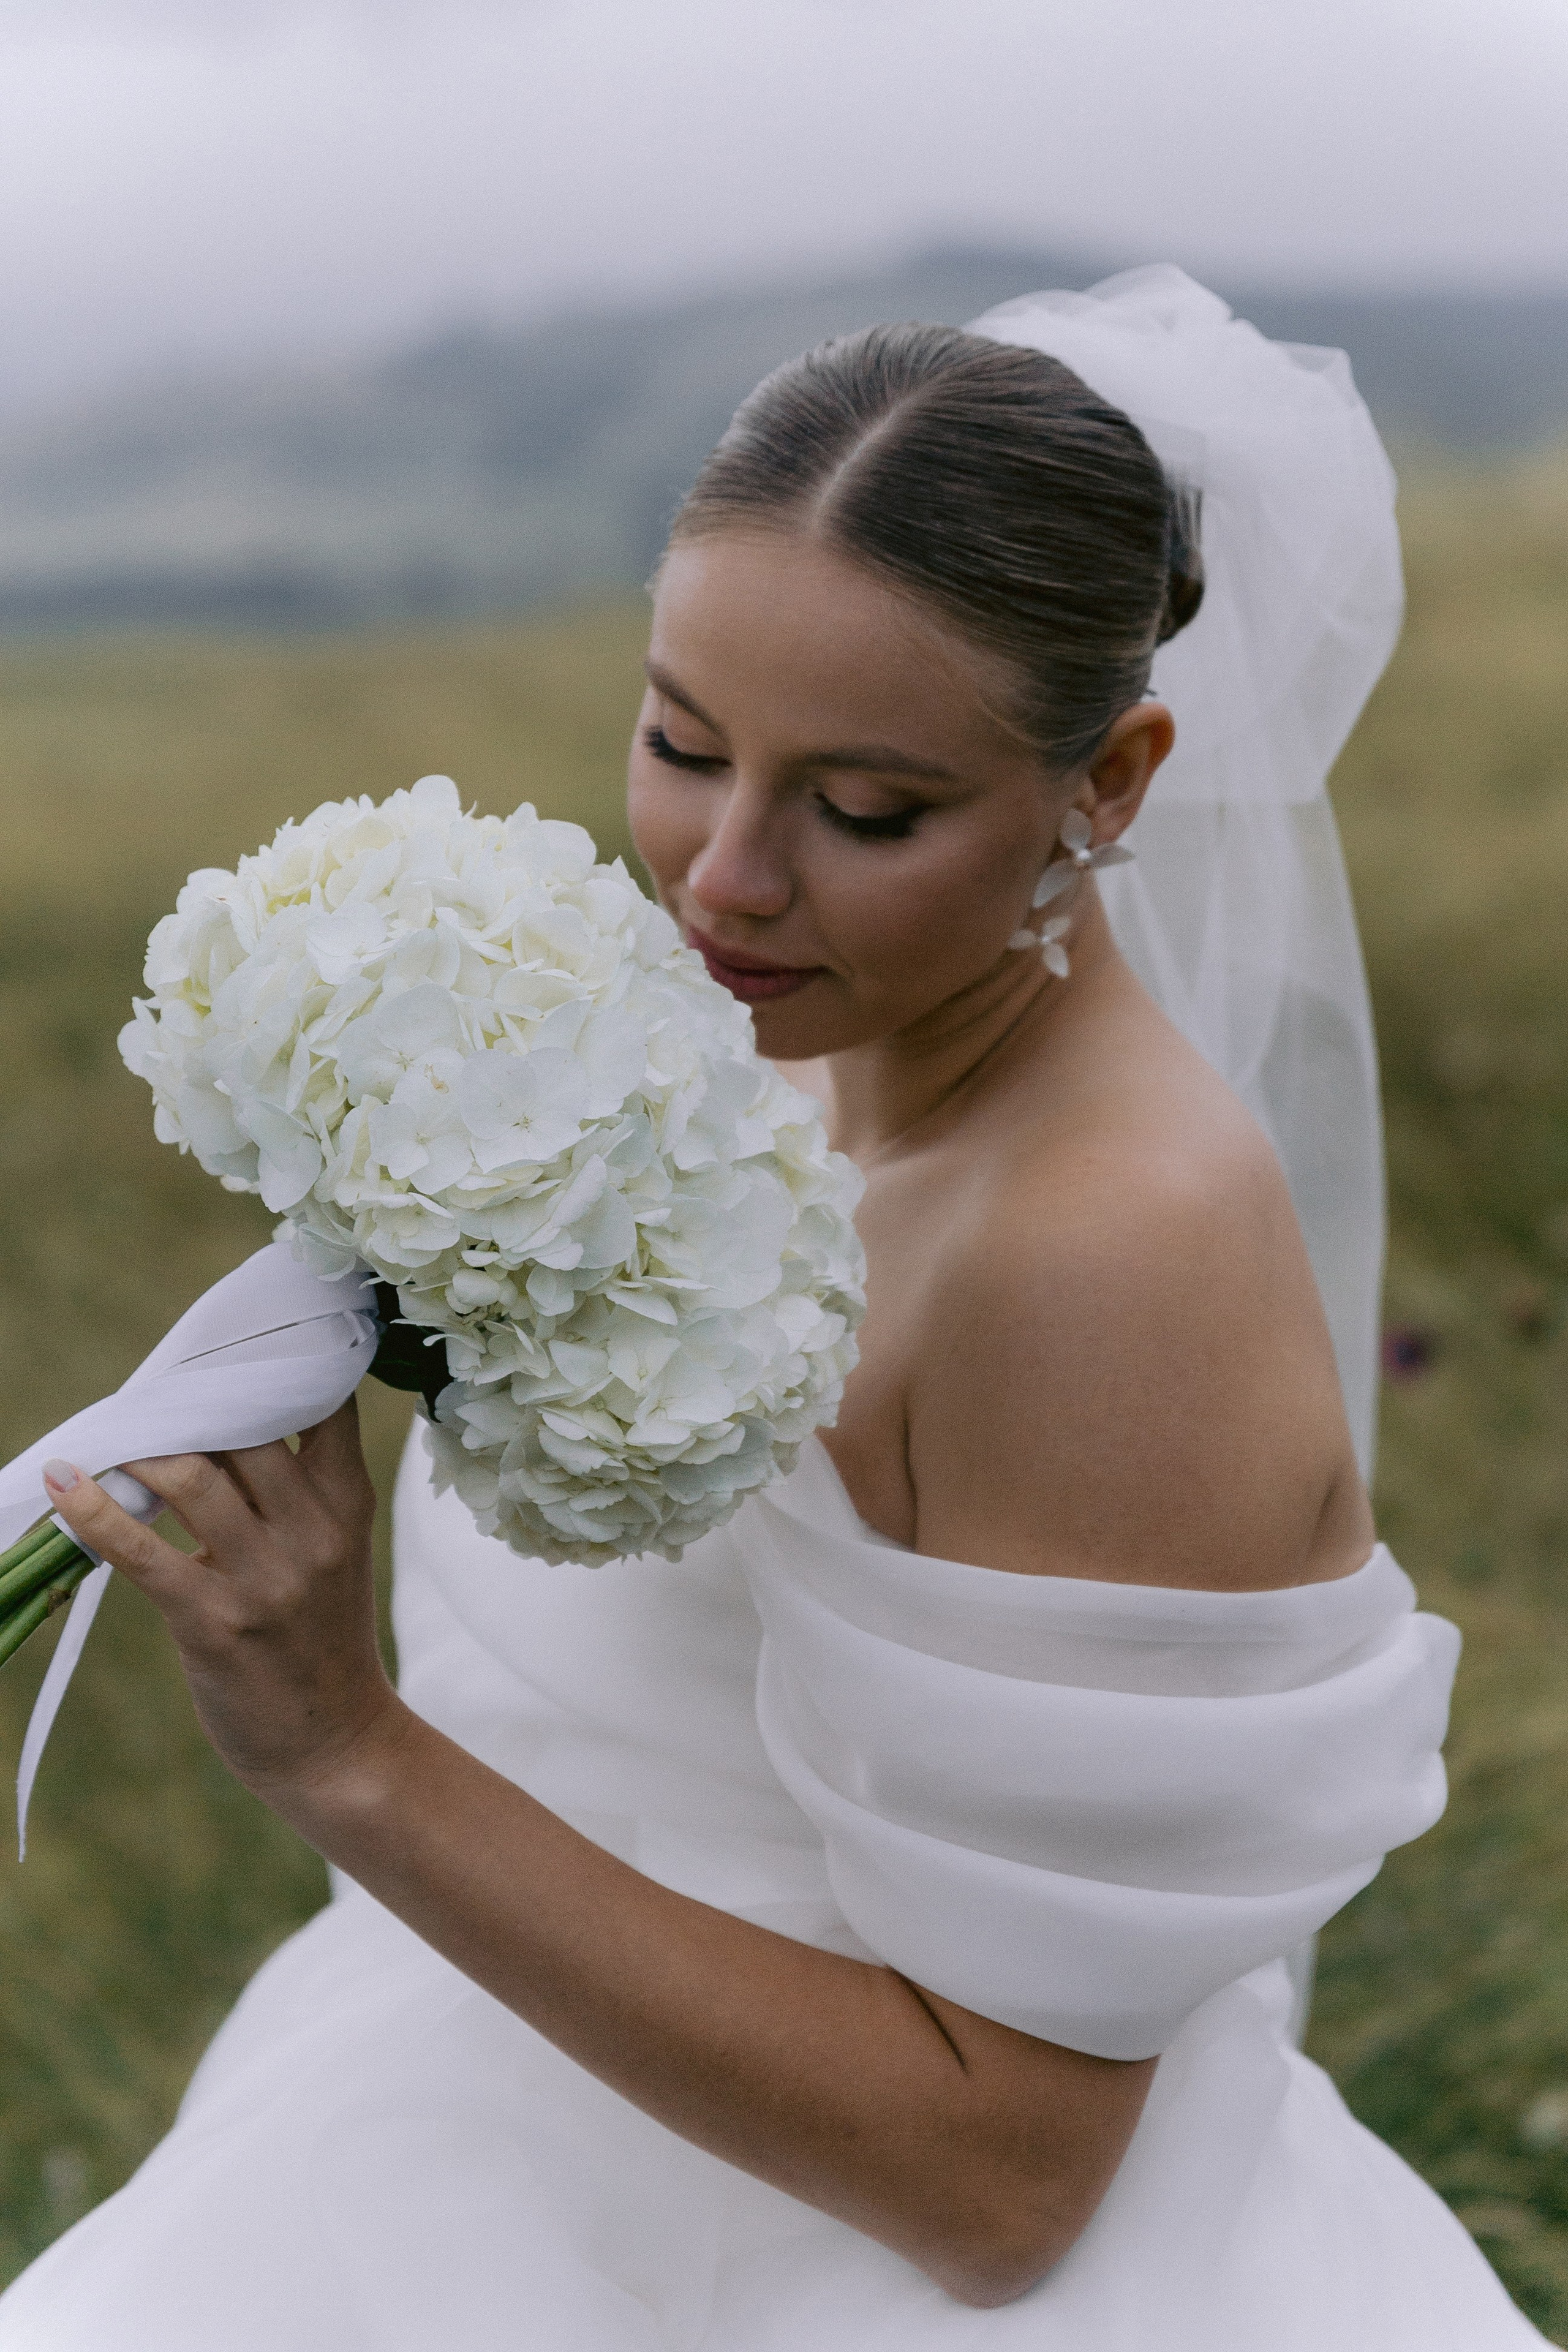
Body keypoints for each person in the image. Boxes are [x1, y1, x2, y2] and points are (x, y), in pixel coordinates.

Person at [0, 270, 1545, 2349]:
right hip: (467, 2122)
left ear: (1115, 781)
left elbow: (1006, 2188)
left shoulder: (1105, 1249)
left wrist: (344, 1750)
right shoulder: (749, 1040)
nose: (721, 880)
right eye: (681, 740)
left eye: (866, 809)